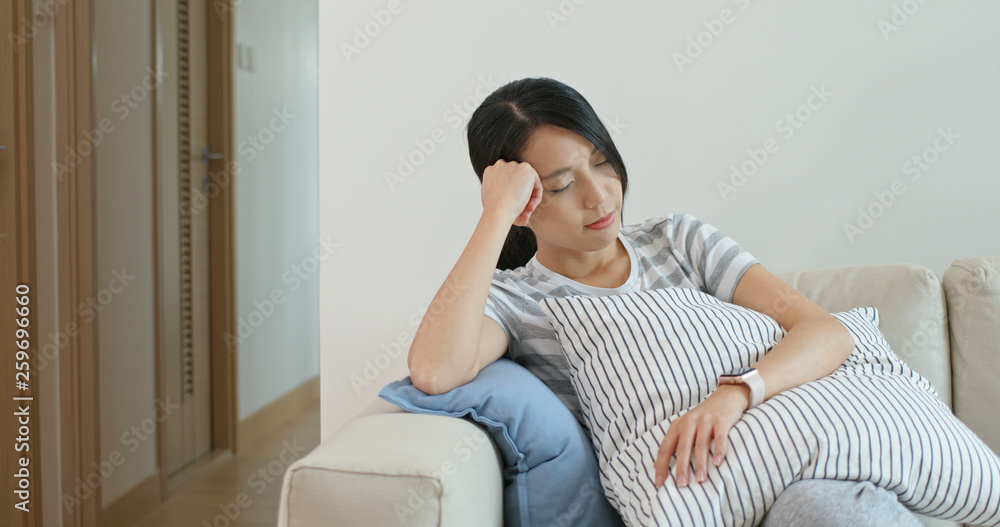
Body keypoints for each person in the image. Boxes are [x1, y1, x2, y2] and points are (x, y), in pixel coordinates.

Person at [406, 77, 923, 526]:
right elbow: (434, 370)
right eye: (562, 185)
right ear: (524, 205)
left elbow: (825, 330)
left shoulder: (678, 242)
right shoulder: (519, 300)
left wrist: (735, 395)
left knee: (826, 507)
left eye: (602, 161)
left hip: (808, 465)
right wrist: (494, 215)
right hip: (694, 502)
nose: (600, 195)